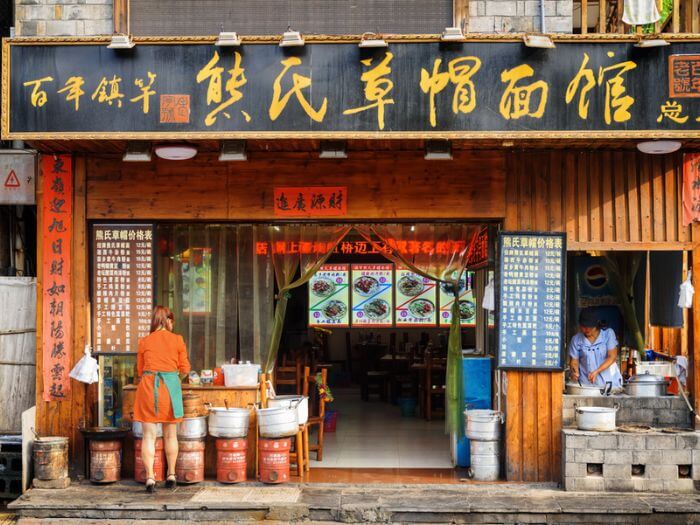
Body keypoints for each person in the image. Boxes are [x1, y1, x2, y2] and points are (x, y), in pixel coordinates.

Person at [133, 306, 191, 492]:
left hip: (148, 388)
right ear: (168, 321)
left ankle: (150, 477)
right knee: (170, 435)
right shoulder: (177, 340)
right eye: (172, 321)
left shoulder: (144, 341)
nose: (173, 325)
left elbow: (140, 370)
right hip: (169, 389)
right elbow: (185, 368)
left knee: (148, 436)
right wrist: (174, 377)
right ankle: (171, 474)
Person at [568, 308, 623, 389]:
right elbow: (574, 362)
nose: (587, 329)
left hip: (610, 384)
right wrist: (574, 372)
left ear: (596, 324)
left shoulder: (608, 334)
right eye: (584, 326)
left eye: (590, 326)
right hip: (586, 386)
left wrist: (597, 371)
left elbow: (612, 357)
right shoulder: (576, 339)